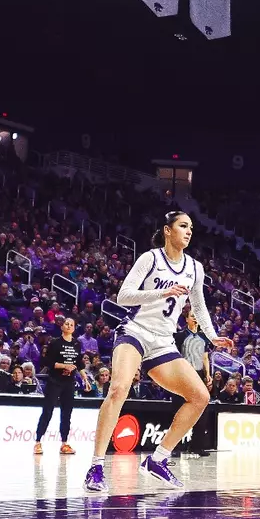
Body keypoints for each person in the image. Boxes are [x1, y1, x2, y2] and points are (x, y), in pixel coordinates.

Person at [84, 211, 215, 496]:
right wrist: (161, 293)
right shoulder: (151, 258)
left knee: (200, 397)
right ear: (168, 230)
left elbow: (199, 306)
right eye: (183, 226)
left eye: (191, 227)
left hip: (163, 341)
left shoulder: (195, 268)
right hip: (135, 331)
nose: (189, 231)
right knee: (118, 389)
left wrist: (213, 336)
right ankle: (96, 467)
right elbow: (124, 296)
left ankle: (158, 459)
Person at [35, 316, 81, 456]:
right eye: (66, 324)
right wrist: (64, 366)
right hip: (55, 381)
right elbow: (48, 362)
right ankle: (38, 441)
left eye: (71, 324)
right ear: (62, 327)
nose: (68, 326)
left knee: (67, 413)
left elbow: (79, 363)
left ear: (74, 328)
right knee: (48, 411)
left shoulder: (77, 344)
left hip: (69, 382)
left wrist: (84, 378)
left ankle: (64, 443)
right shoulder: (55, 342)